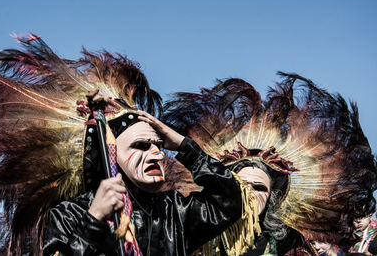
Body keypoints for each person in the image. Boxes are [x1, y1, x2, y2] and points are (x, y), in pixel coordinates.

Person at [0, 34, 245, 255]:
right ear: (111, 154)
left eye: (158, 145)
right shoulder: (70, 214)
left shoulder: (176, 210)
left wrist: (182, 144)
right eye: (140, 145)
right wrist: (94, 220)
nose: (156, 153)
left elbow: (229, 203)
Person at [162, 75, 377, 255]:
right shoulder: (193, 234)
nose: (249, 192)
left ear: (272, 196)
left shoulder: (291, 245)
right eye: (241, 184)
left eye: (259, 187)